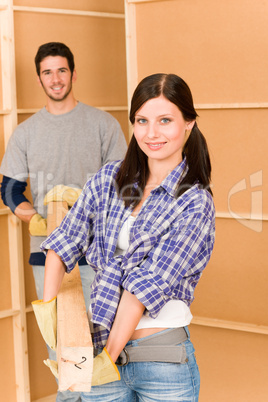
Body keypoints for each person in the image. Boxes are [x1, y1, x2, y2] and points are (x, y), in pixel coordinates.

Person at [40, 73, 215, 401]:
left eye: (165, 120)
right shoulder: (109, 178)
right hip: (95, 350)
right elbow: (63, 243)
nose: (152, 133)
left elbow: (140, 289)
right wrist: (54, 326)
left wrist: (101, 360)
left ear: (188, 123)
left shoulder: (194, 202)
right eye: (142, 120)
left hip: (161, 361)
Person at [0, 42, 127, 402]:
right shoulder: (25, 133)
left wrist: (90, 216)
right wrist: (36, 218)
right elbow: (9, 190)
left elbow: (124, 185)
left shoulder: (103, 124)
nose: (55, 79)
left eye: (61, 70)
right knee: (63, 347)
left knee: (101, 343)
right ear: (39, 77)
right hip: (48, 257)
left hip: (99, 256)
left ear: (73, 72)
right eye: (47, 72)